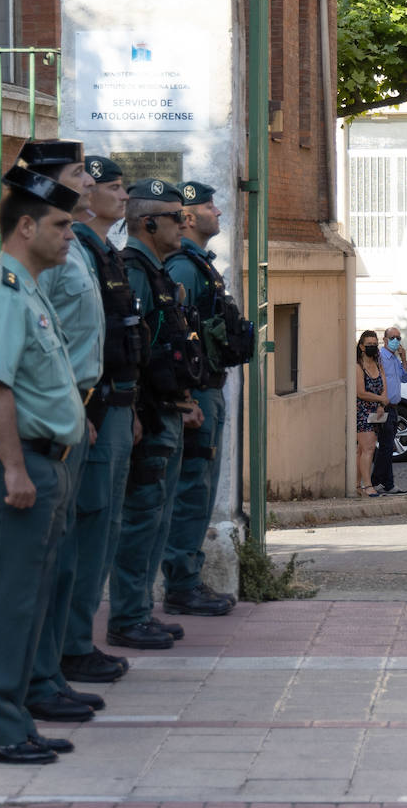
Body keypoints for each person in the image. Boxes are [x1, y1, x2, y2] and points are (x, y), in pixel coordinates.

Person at [0, 165, 85, 764]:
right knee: (7, 604)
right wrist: (13, 468)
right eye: (61, 224)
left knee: (29, 603)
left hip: (45, 463)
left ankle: (14, 718)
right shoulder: (2, 294)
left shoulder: (29, 288)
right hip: (20, 466)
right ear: (27, 226)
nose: (70, 233)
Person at [17, 140, 109, 725]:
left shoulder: (71, 245)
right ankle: (39, 676)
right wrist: (69, 408)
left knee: (66, 556)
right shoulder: (42, 256)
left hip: (78, 410)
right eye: (78, 171)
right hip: (57, 414)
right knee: (49, 559)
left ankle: (52, 668)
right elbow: (40, 343)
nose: (87, 180)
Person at [58, 155, 145, 683]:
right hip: (91, 408)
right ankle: (70, 644)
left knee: (104, 525)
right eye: (111, 186)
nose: (121, 195)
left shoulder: (102, 252)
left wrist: (129, 405)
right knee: (87, 527)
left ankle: (76, 640)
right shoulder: (79, 255)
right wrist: (87, 407)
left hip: (113, 404)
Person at [107, 179, 204, 650]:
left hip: (167, 410)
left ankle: (140, 610)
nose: (184, 222)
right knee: (141, 518)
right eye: (174, 216)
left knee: (157, 518)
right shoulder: (136, 272)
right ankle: (128, 616)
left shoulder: (159, 269)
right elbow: (135, 352)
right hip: (148, 414)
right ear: (148, 223)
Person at [161, 180, 248, 616]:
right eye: (210, 205)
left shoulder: (199, 265)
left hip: (209, 389)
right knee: (191, 490)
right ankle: (181, 584)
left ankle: (186, 579)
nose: (219, 210)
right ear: (190, 217)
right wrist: (188, 396)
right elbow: (175, 338)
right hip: (197, 395)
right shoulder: (182, 269)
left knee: (200, 489)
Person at [369, 326, 407, 495]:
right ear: (385, 340)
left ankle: (387, 483)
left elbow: (406, 378)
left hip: (394, 407)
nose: (396, 341)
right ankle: (377, 481)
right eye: (393, 337)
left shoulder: (394, 358)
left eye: (398, 338)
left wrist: (403, 358)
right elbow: (378, 382)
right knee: (386, 446)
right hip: (382, 406)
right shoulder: (380, 357)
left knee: (387, 446)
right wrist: (380, 403)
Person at [355, 330, 389, 495]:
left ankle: (356, 485)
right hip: (361, 411)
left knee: (363, 450)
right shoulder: (357, 367)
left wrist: (382, 404)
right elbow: (360, 392)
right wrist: (379, 400)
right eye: (369, 345)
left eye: (375, 345)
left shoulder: (378, 365)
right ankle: (368, 485)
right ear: (361, 347)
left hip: (377, 412)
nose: (372, 348)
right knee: (367, 448)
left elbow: (383, 389)